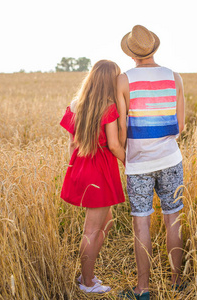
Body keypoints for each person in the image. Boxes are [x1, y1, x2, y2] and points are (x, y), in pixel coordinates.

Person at [117, 25, 186, 299]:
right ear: (154, 48)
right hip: (171, 158)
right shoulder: (175, 77)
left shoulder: (124, 80)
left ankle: (143, 289)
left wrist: (128, 155)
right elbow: (180, 125)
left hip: (139, 163)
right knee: (173, 219)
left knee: (141, 224)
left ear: (132, 53)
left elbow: (122, 128)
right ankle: (177, 281)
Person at [59, 60, 126, 294]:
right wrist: (131, 162)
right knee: (91, 230)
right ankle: (86, 282)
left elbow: (71, 142)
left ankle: (87, 270)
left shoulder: (77, 104)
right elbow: (115, 145)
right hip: (100, 170)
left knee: (106, 223)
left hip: (81, 166)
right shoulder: (108, 107)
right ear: (109, 81)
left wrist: (73, 169)